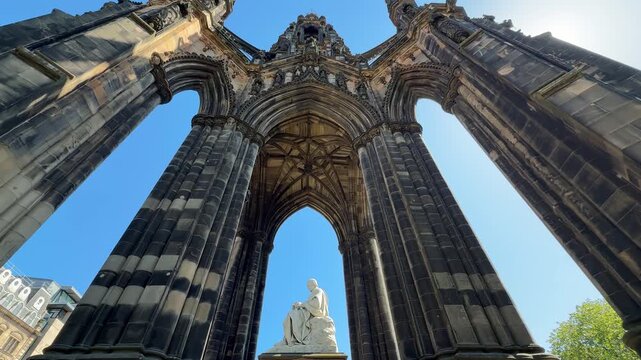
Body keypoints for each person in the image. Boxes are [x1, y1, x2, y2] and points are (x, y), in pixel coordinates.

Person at [283, 278, 329, 345]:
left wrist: (302, 304)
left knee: (293, 315)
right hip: (309, 312)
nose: (308, 287)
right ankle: (292, 339)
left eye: (309, 285)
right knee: (292, 315)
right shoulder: (314, 292)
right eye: (307, 286)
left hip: (315, 313)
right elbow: (310, 304)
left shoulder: (318, 290)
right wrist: (300, 305)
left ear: (313, 284)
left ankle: (297, 339)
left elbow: (316, 304)